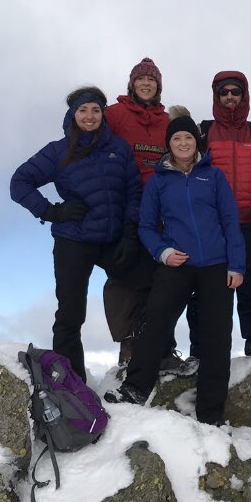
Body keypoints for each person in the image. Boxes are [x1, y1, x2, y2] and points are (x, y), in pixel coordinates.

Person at [105, 115, 245, 425]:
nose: (183, 144)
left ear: (197, 142)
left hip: (216, 264)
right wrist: (163, 252)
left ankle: (211, 413)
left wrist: (236, 264)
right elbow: (146, 226)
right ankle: (135, 389)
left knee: (216, 337)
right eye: (177, 139)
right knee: (155, 320)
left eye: (189, 138)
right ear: (168, 144)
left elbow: (230, 222)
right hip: (176, 262)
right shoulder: (158, 182)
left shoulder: (214, 177)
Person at [10, 87, 142, 383]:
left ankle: (137, 355)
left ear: (103, 114)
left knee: (150, 280)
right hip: (74, 240)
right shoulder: (59, 150)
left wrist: (131, 231)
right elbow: (19, 183)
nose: (90, 116)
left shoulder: (118, 148)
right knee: (71, 315)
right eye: (83, 110)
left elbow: (133, 190)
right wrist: (52, 212)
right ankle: (72, 385)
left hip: (112, 239)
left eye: (96, 110)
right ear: (73, 115)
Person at [103, 58, 195, 376]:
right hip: (123, 207)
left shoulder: (167, 120)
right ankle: (129, 344)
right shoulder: (113, 114)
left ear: (158, 86)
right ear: (132, 84)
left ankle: (162, 346)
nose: (146, 83)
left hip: (161, 210)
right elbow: (92, 142)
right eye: (140, 79)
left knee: (162, 280)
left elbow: (187, 153)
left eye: (151, 80)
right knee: (123, 275)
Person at [187, 71, 251, 359]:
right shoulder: (203, 132)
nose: (230, 97)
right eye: (225, 92)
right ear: (216, 96)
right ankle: (200, 350)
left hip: (250, 224)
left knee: (250, 286)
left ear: (244, 95)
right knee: (206, 290)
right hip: (211, 226)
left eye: (236, 91)